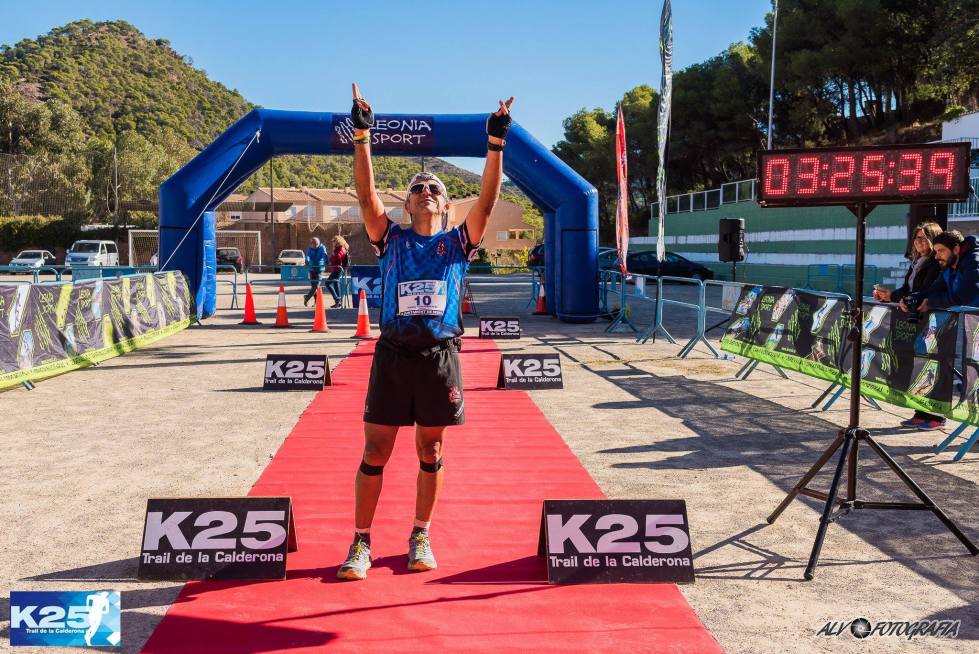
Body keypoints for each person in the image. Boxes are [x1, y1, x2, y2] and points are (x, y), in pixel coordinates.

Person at [337, 82, 513, 581]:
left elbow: (488, 200)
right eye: (417, 188)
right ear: (407, 206)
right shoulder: (389, 237)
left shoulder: (459, 242)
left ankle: (420, 534)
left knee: (430, 450)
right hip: (393, 355)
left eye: (435, 188)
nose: (426, 191)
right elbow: (366, 195)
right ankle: (361, 541)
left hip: (440, 357)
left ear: (446, 207)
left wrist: (495, 143)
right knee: (376, 450)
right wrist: (363, 135)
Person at [873, 222, 943, 428]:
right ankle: (920, 412)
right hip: (915, 320)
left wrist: (901, 297)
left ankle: (936, 416)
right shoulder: (916, 262)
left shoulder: (935, 264)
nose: (918, 241)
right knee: (917, 363)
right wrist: (890, 295)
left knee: (930, 364)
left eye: (923, 237)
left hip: (932, 320)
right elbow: (907, 289)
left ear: (932, 240)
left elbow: (926, 290)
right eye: (916, 238)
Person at [324, 235, 349, 308]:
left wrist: (332, 257)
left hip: (337, 269)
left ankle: (337, 299)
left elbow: (337, 258)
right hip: (337, 269)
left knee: (327, 283)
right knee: (335, 283)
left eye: (334, 241)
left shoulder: (339, 249)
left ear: (337, 242)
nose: (333, 243)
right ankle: (338, 302)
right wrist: (332, 258)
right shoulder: (341, 248)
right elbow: (334, 258)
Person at [303, 237, 329, 306]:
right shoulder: (310, 249)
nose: (314, 245)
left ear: (318, 243)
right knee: (313, 286)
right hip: (311, 269)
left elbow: (324, 255)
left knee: (316, 286)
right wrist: (307, 261)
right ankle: (316, 302)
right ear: (311, 244)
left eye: (316, 244)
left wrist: (326, 261)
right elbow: (308, 256)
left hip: (319, 269)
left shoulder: (322, 248)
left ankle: (307, 297)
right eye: (313, 244)